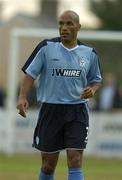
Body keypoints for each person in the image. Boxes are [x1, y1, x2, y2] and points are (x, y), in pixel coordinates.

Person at [17, 10, 102, 180]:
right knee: (48, 165)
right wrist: (22, 97)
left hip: (77, 110)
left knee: (75, 159)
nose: (64, 28)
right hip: (50, 110)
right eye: (61, 24)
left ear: (78, 27)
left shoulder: (89, 53)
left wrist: (92, 89)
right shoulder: (46, 47)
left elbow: (96, 80)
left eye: (69, 24)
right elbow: (30, 74)